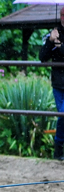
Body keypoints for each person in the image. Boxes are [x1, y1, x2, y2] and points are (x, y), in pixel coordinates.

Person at [38, 11, 64, 161]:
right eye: (63, 16)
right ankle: (58, 147)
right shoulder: (53, 34)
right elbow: (42, 57)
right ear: (60, 17)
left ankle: (58, 147)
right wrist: (50, 41)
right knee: (63, 114)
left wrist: (59, 45)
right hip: (59, 83)